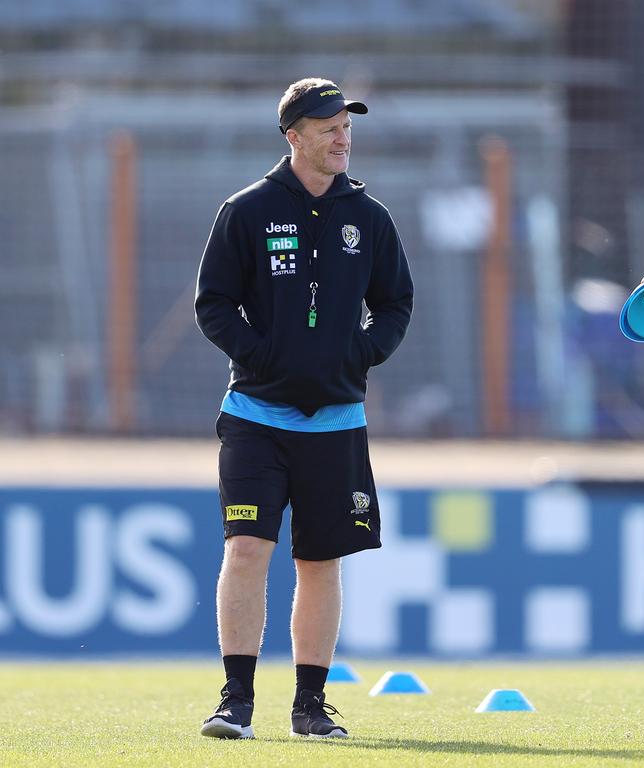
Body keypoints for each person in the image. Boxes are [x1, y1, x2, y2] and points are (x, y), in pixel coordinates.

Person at [194, 77, 413, 740]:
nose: (342, 136)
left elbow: (396, 304)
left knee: (319, 561)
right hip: (256, 415)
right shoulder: (247, 210)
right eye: (328, 127)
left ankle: (311, 707)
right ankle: (235, 701)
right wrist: (263, 358)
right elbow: (214, 304)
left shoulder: (369, 218)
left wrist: (361, 355)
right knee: (248, 548)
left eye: (347, 125)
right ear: (294, 136)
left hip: (338, 421)